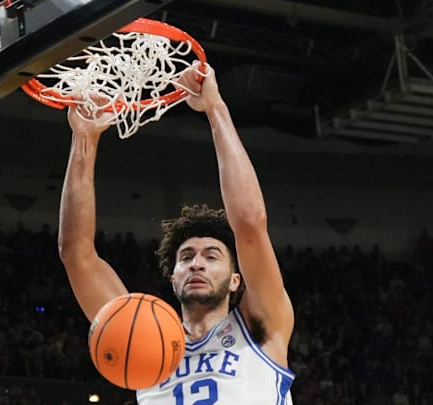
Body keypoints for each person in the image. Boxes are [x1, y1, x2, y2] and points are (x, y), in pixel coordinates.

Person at [58, 62, 295, 403]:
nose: (197, 263)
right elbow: (76, 255)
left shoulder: (261, 326)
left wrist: (214, 109)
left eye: (211, 256)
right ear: (173, 279)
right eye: (187, 257)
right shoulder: (142, 337)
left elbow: (249, 223)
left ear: (234, 280)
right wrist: (84, 139)